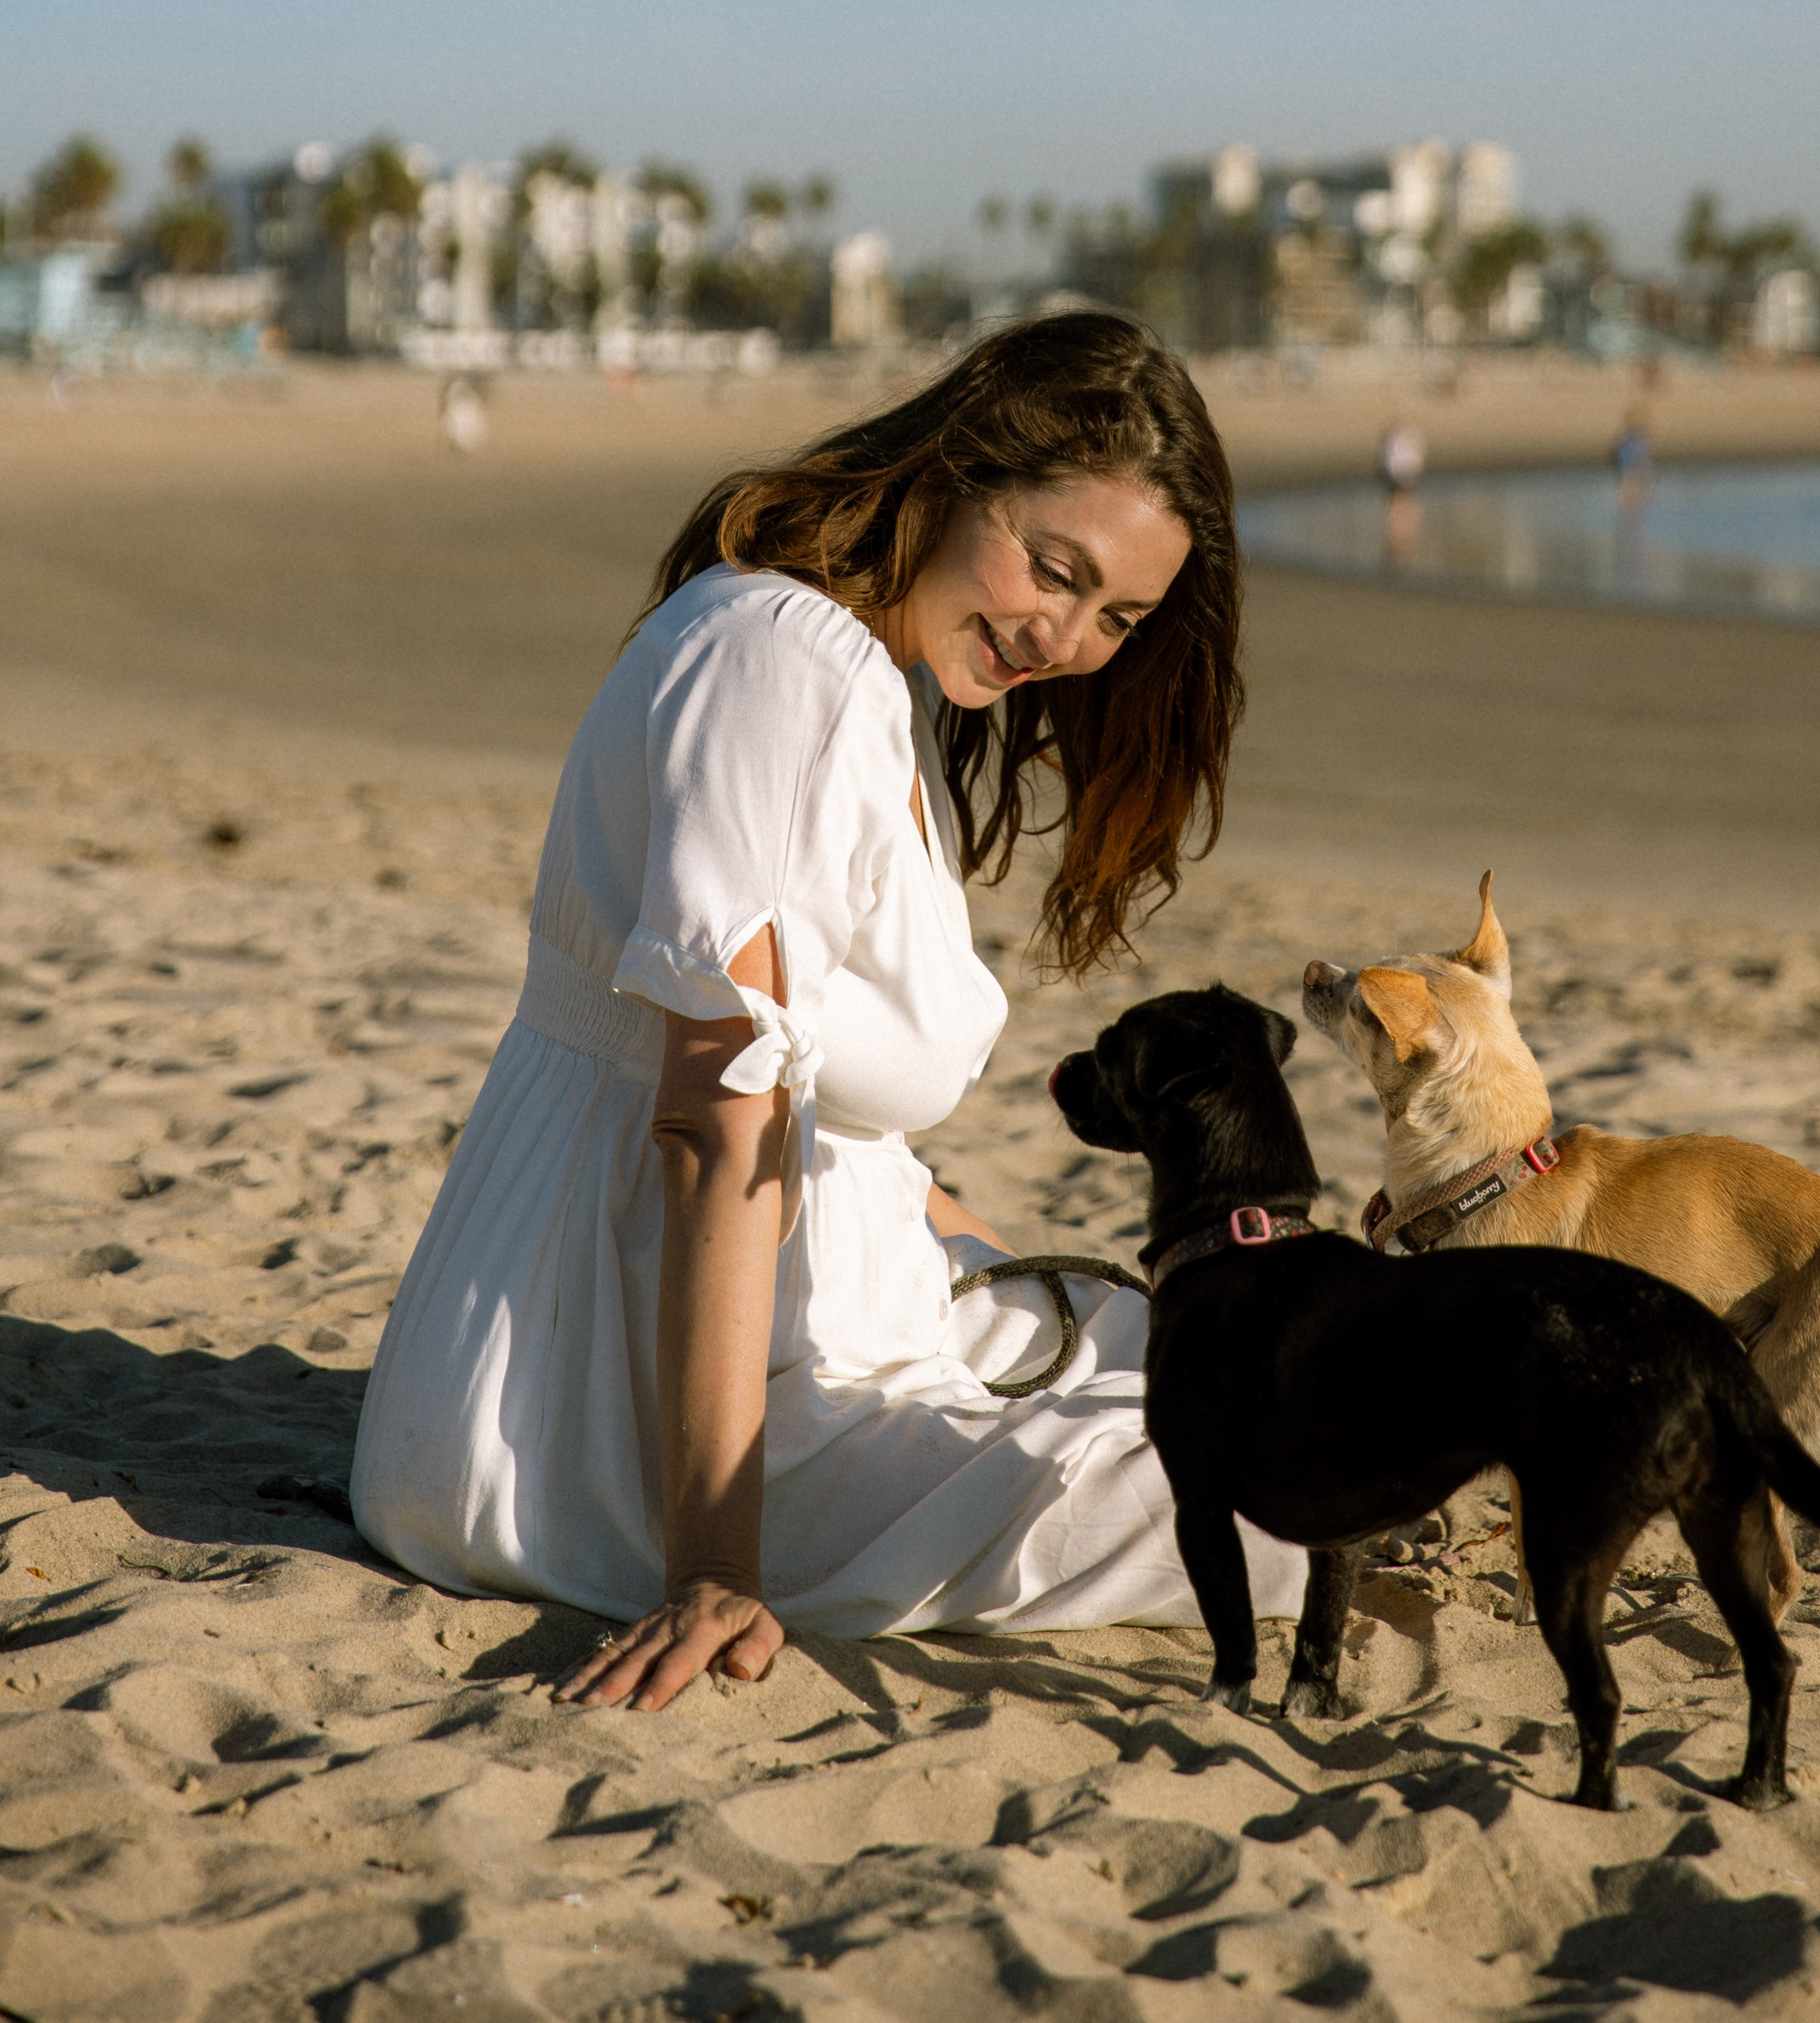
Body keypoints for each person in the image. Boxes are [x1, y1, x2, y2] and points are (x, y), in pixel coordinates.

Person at [351, 312, 1303, 1708]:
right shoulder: (788, 667)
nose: (1067, 638)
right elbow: (709, 1119)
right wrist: (711, 1567)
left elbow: (821, 1089)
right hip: (618, 1403)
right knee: (1300, 1480)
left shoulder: (854, 666)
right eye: (1055, 569)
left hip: (772, 1315)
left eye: (1120, 617)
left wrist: (972, 1243)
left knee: (1245, 1359)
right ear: (963, 463)